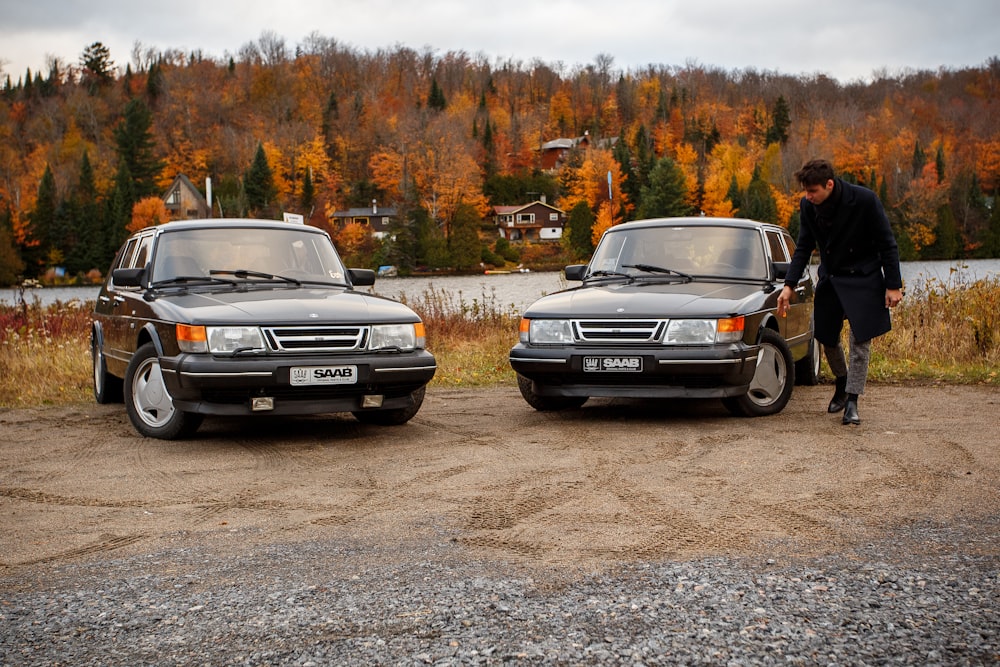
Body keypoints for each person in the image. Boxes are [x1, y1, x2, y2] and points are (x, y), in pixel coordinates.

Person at [777, 159, 904, 425]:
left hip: (864, 278)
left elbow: (887, 244)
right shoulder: (808, 207)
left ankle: (853, 400)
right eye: (806, 191)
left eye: (813, 191)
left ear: (829, 185)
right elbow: (803, 247)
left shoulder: (864, 200)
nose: (808, 196)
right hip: (832, 278)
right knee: (824, 334)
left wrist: (893, 285)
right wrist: (788, 286)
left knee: (860, 342)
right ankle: (842, 379)